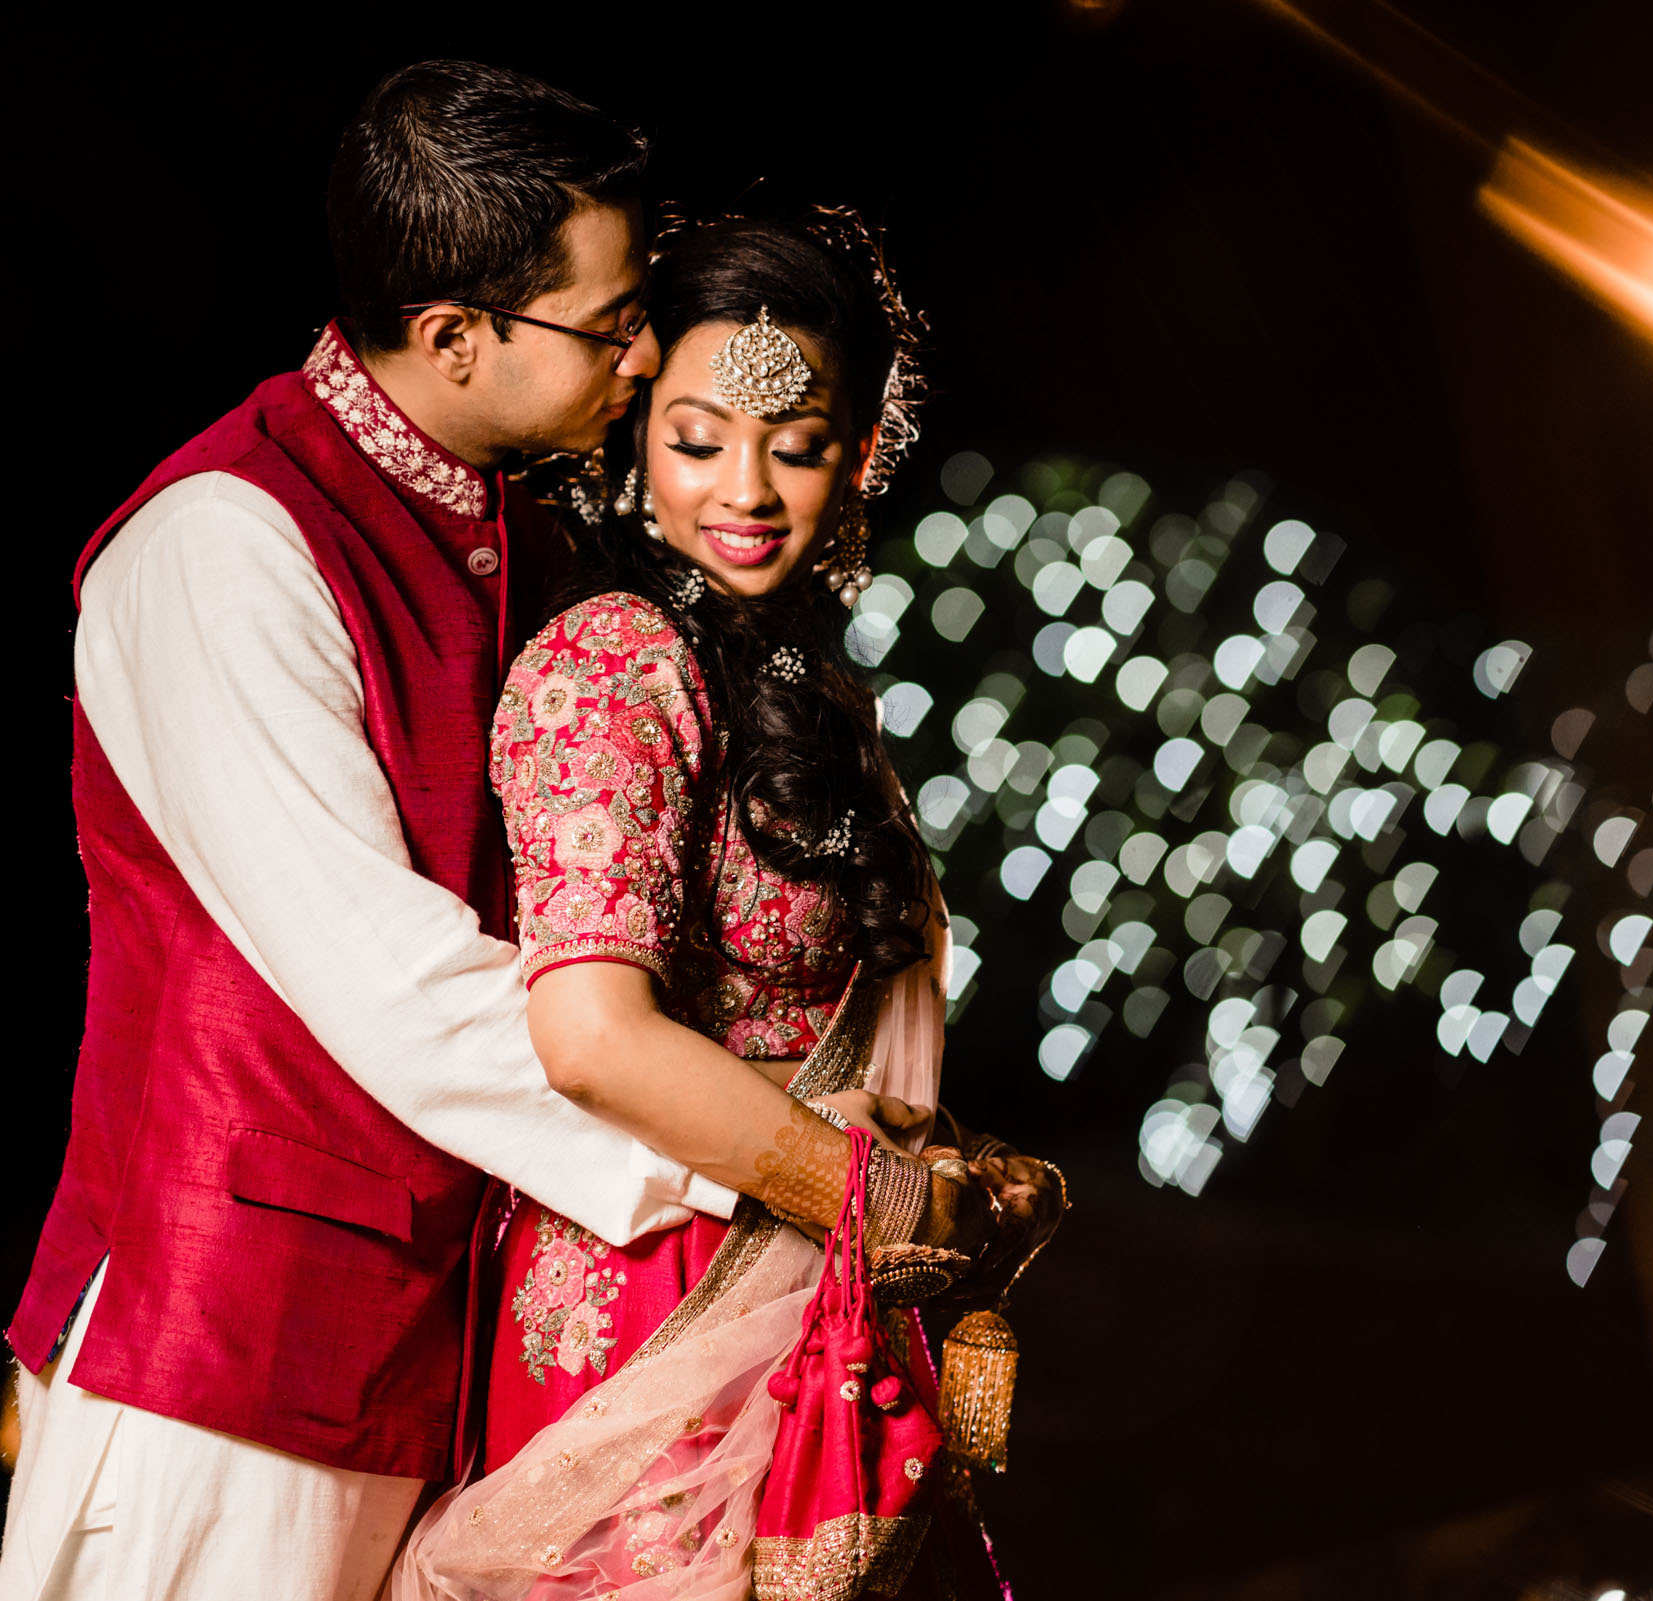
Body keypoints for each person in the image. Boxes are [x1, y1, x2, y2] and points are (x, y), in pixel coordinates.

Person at [0, 62, 1027, 1601]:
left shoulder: (516, 536)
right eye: (611, 328)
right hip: (223, 1356)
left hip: (454, 1347)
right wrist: (802, 1171)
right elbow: (399, 988)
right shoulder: (223, 544)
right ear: (456, 335)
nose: (640, 357)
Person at [391, 212, 1057, 1601]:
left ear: (861, 448)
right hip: (660, 1323)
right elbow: (591, 1039)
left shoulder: (810, 687)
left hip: (825, 1317)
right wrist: (867, 1184)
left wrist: (962, 1173)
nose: (743, 488)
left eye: (795, 442)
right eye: (696, 440)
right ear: (631, 440)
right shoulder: (614, 664)